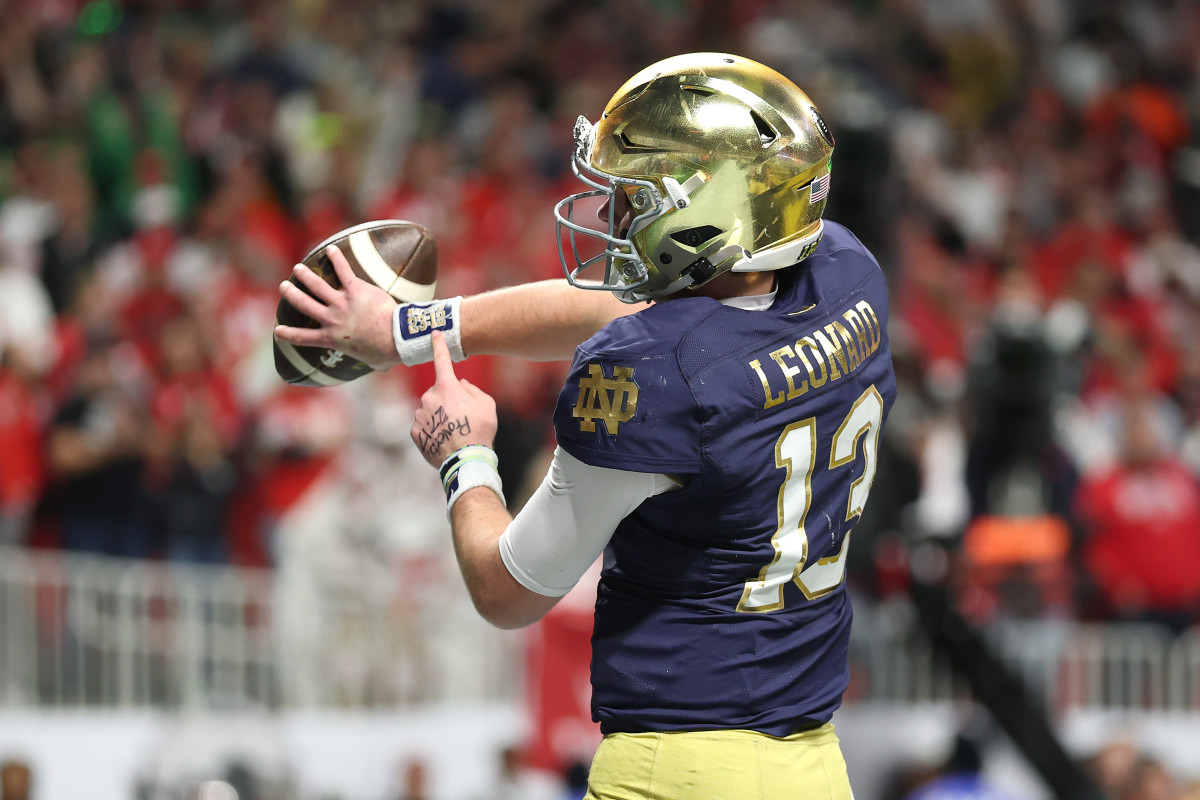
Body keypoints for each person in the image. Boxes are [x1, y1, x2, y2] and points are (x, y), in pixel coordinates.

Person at [276, 53, 895, 800]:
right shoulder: (845, 274)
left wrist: (464, 457)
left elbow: (509, 591)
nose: (612, 217)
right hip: (813, 763)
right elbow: (655, 317)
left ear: (708, 210)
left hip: (679, 768)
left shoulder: (652, 378)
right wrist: (415, 327)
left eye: (633, 197)